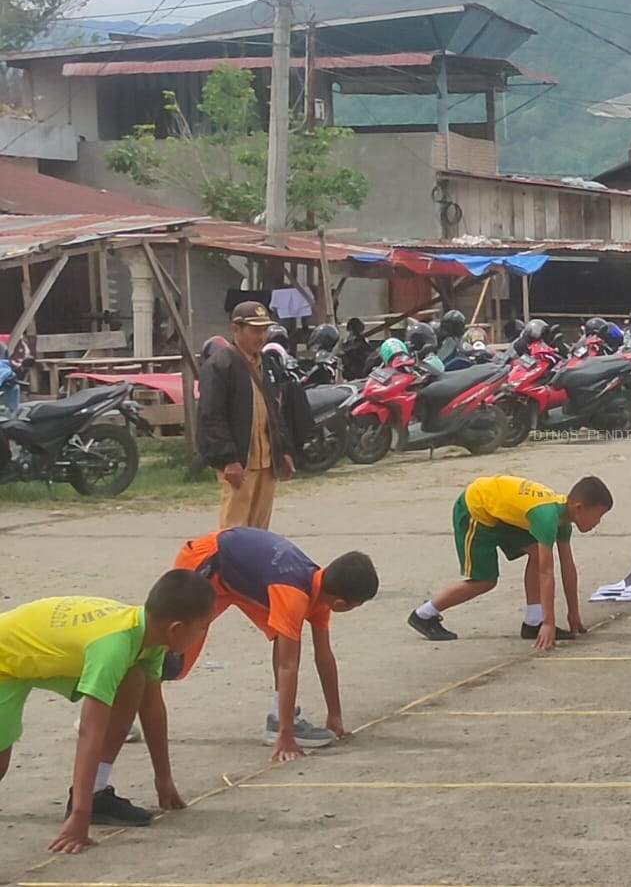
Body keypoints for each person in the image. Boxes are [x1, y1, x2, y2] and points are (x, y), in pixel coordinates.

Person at [1, 572, 214, 853]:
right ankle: (84, 802)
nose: (204, 635)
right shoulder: (113, 647)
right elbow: (90, 729)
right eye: (202, 628)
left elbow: (152, 710)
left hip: (41, 656)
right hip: (7, 661)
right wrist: (80, 817)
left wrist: (164, 779)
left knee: (134, 678)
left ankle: (95, 792)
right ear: (175, 628)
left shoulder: (148, 633)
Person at [171, 528, 378, 761]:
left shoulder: (319, 590)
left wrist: (335, 716)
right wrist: (286, 737)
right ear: (341, 603)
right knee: (172, 656)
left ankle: (280, 715)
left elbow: (324, 656)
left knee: (284, 636)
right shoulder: (294, 596)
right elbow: (288, 666)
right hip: (208, 561)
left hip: (237, 578)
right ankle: (122, 702)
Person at [408, 475, 613, 648]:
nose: (598, 523)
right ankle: (424, 614)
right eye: (599, 516)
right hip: (476, 509)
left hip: (501, 515)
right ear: (579, 508)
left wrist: (574, 614)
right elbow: (546, 572)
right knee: (484, 580)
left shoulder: (563, 521)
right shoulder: (546, 518)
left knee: (535, 552)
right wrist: (549, 623)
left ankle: (533, 621)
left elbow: (568, 567)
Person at [199, 301, 297, 530]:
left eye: (264, 330)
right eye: (254, 330)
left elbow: (274, 411)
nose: (260, 336)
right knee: (235, 530)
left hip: (266, 461)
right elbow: (211, 416)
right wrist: (228, 459)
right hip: (240, 464)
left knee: (260, 531)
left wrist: (283, 451)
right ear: (236, 329)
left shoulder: (267, 364)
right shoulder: (220, 365)